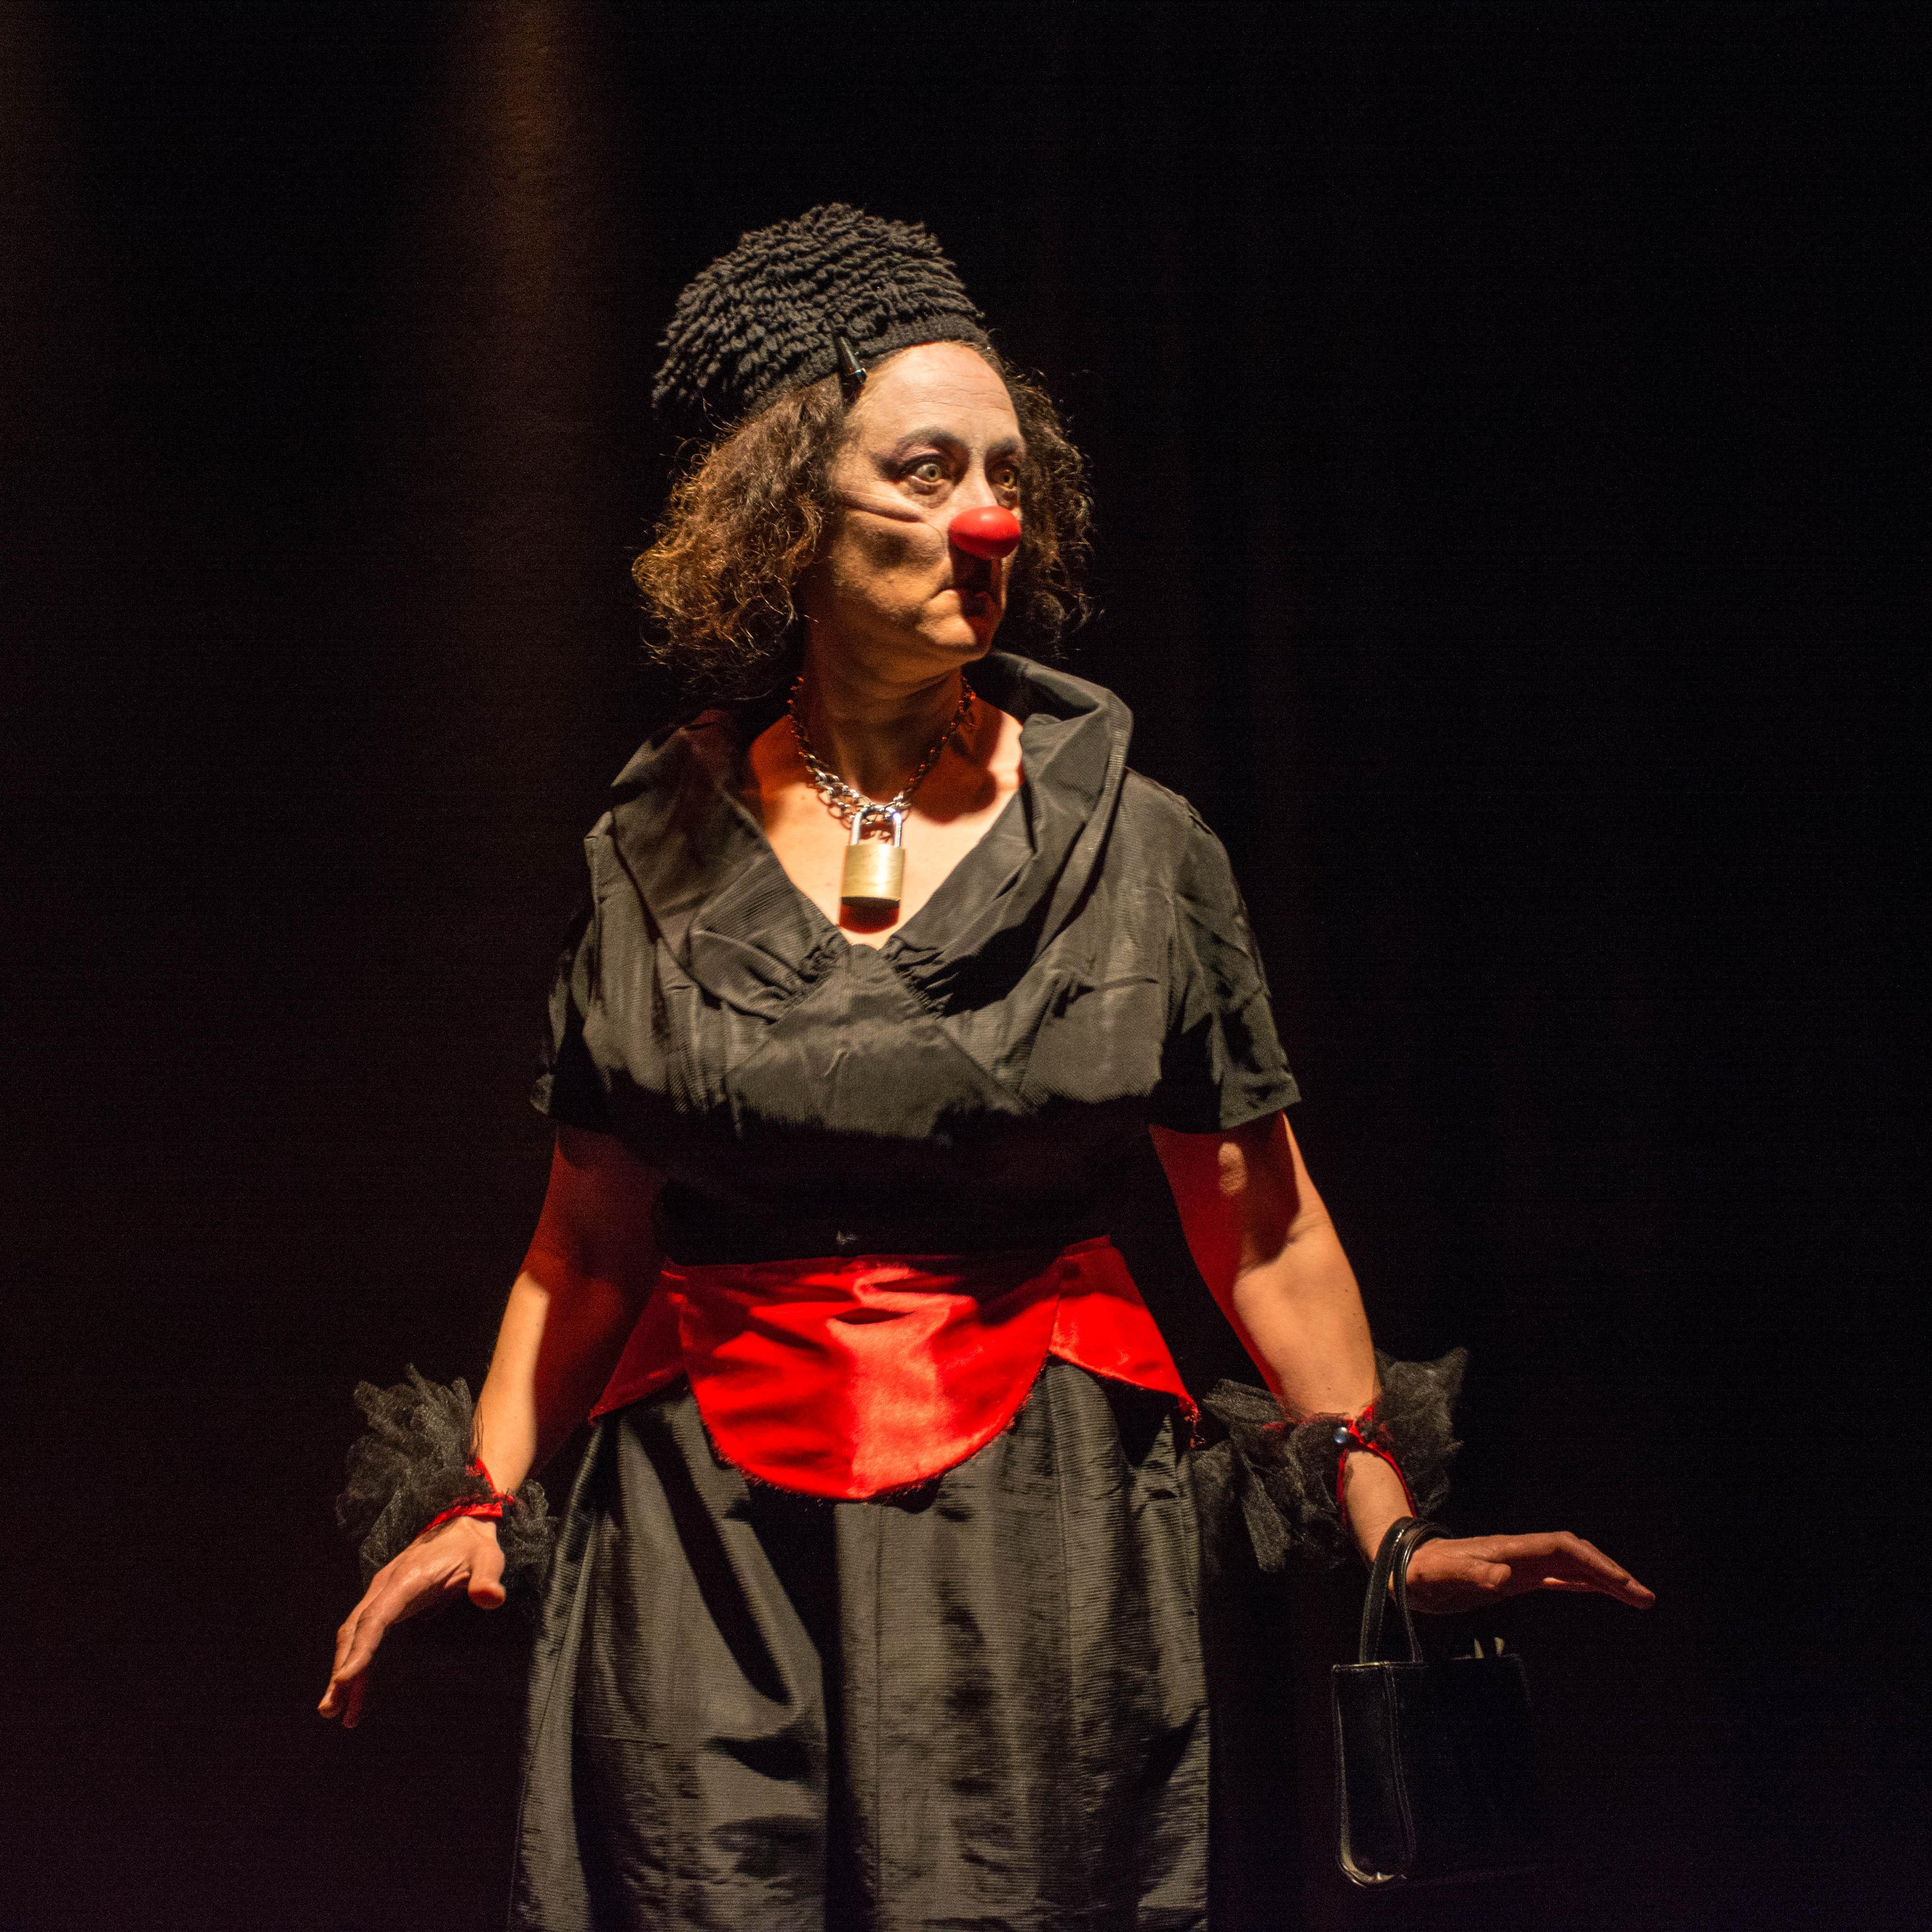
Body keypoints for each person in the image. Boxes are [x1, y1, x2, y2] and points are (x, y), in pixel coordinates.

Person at [318, 204, 1651, 1930]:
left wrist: (1386, 1523)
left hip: (1036, 1524)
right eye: (929, 471)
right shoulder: (650, 851)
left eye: (1010, 474)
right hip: (704, 1544)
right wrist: (481, 1498)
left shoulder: (1139, 847)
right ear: (790, 514)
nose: (990, 518)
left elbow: (1263, 1227)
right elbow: (584, 1247)